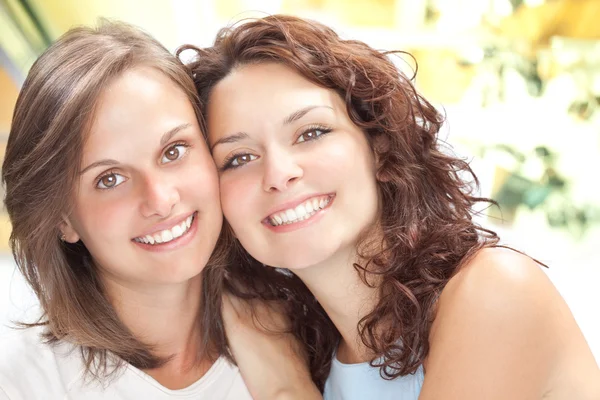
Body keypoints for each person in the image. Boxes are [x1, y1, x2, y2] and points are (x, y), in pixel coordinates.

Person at [183, 14, 600, 399]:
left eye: (311, 132)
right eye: (238, 158)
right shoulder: (314, 350)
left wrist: (283, 385)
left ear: (380, 150)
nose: (278, 173)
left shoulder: (494, 289)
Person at [0, 20, 314, 400]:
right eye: (109, 179)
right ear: (62, 219)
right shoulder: (22, 382)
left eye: (173, 151)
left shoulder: (303, 323)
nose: (160, 200)